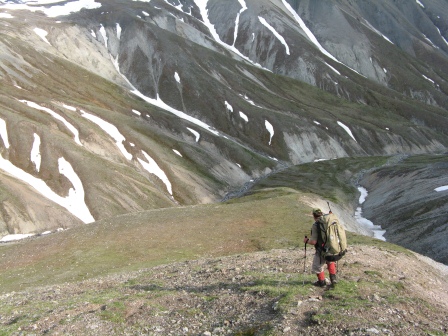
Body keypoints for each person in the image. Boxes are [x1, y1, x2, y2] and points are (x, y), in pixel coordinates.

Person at [303, 208, 338, 287]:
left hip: (321, 249)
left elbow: (313, 242)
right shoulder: (328, 221)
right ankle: (333, 279)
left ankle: (321, 282)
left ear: (314, 216)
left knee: (317, 265)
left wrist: (306, 240)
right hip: (332, 247)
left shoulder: (316, 225)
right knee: (330, 261)